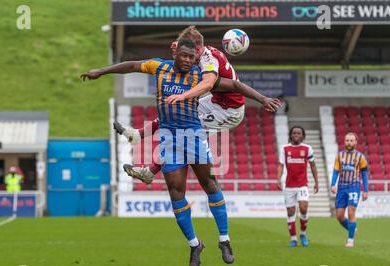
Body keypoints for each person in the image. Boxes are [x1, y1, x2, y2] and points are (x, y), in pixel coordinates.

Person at [81, 38, 235, 266]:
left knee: (210, 184)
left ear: (195, 58)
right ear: (175, 55)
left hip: (193, 135)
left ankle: (224, 240)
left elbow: (233, 86)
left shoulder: (200, 75)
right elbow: (131, 65)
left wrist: (262, 98)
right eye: (183, 55)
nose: (186, 60)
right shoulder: (158, 67)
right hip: (170, 139)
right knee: (175, 192)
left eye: (191, 57)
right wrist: (102, 71)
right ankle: (195, 245)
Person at [107, 26, 281, 184]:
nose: (185, 54)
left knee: (183, 132)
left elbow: (209, 85)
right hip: (215, 101)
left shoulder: (209, 61)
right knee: (174, 112)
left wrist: (263, 99)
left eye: (190, 51)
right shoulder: (198, 51)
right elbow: (181, 50)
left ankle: (149, 172)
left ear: (197, 49)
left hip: (228, 112)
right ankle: (137, 135)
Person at [277, 126, 319, 247]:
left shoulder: (307, 149)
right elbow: (280, 165)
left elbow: (313, 165)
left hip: (302, 184)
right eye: (294, 133)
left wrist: (316, 182)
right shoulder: (285, 148)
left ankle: (303, 234)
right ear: (291, 135)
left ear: (302, 135)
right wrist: (278, 179)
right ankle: (294, 239)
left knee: (303, 208)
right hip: (289, 185)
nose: (296, 135)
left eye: (299, 133)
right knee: (290, 212)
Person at [330, 132, 369, 248]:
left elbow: (364, 175)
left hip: (354, 187)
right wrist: (333, 184)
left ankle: (350, 240)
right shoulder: (339, 156)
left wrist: (365, 190)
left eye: (352, 140)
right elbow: (336, 171)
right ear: (344, 141)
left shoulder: (361, 157)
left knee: (351, 211)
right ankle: (352, 228)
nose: (349, 142)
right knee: (339, 216)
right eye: (347, 140)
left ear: (356, 142)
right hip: (341, 188)